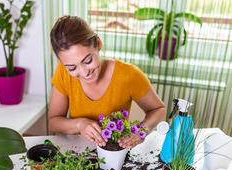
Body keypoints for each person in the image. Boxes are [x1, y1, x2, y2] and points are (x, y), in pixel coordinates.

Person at [48, 15, 166, 148]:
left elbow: (158, 109)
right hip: (77, 151)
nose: (84, 72)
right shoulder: (62, 73)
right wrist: (79, 124)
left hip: (115, 151)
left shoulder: (129, 75)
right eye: (72, 67)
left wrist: (142, 131)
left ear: (98, 43)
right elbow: (54, 121)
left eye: (87, 61)